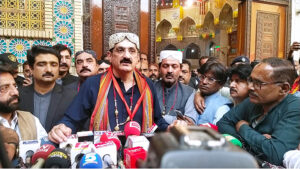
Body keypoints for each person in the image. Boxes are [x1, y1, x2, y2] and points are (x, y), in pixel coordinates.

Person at [48, 32, 169, 143]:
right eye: (120, 50)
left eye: (132, 51)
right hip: (104, 153)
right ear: (110, 56)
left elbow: (157, 121)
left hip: (139, 155)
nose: (126, 55)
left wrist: (170, 128)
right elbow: (71, 119)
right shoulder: (93, 84)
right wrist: (62, 127)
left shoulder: (147, 84)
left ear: (137, 58)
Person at [217, 57, 300, 166]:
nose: (250, 87)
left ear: (284, 88)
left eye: (259, 83)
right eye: (251, 80)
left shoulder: (294, 108)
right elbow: (223, 123)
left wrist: (243, 127)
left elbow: (275, 154)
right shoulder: (253, 100)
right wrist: (255, 141)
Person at [18, 45, 77, 132]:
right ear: (31, 68)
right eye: (41, 65)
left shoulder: (72, 96)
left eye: (54, 65)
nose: (49, 70)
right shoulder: (18, 96)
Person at [0, 65, 47, 141]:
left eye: (15, 86)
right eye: (4, 88)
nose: (15, 92)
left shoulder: (31, 120)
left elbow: (46, 147)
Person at [185, 61, 232, 125]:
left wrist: (193, 128)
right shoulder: (192, 95)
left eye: (211, 79)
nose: (204, 82)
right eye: (202, 77)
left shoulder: (222, 108)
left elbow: (217, 132)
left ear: (221, 84)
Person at [154, 50, 194, 124]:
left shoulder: (190, 92)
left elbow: (189, 123)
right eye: (165, 66)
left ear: (180, 69)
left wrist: (157, 117)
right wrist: (175, 119)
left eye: (174, 66)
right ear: (159, 69)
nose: (169, 70)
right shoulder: (150, 88)